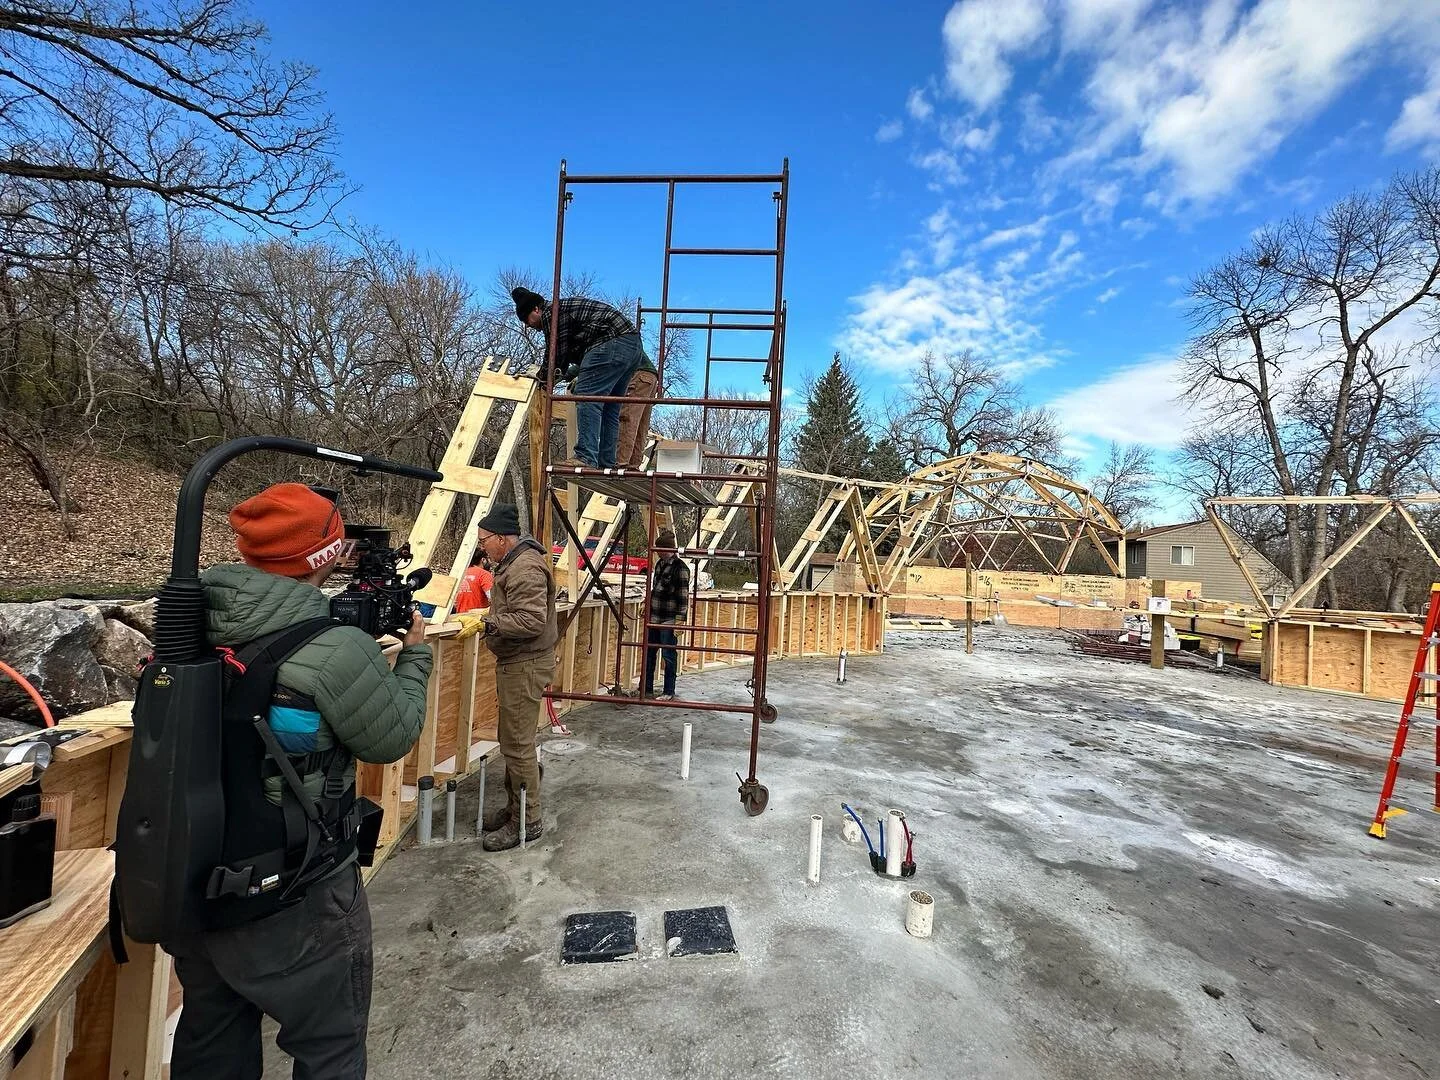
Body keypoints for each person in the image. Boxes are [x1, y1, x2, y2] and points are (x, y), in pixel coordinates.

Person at [166, 482, 431, 1080]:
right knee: (330, 1049)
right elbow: (391, 738)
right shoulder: (332, 647)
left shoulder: (188, 625)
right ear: (328, 554)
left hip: (195, 875)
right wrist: (413, 657)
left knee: (211, 1043)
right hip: (297, 886)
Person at [471, 503, 558, 851]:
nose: (482, 547)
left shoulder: (524, 568)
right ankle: (515, 806)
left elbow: (532, 621)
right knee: (513, 740)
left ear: (504, 539)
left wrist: (488, 623)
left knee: (518, 744)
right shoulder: (514, 563)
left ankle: (527, 819)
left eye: (485, 540)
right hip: (519, 662)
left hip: (525, 663)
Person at [511, 287, 647, 470]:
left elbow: (555, 356)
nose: (528, 325)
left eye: (526, 319)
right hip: (632, 347)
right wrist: (555, 375)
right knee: (609, 407)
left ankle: (585, 456)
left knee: (586, 396)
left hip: (612, 343)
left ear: (536, 309)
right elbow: (565, 360)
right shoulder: (565, 313)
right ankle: (607, 462)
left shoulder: (552, 313)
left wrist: (541, 377)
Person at [644, 529, 691, 701]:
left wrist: (679, 621)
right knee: (649, 654)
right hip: (655, 617)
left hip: (669, 619)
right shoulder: (659, 565)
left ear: (668, 549)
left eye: (659, 549)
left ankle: (668, 691)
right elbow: (655, 588)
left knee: (668, 656)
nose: (657, 552)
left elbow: (683, 598)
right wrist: (647, 604)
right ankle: (647, 689)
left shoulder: (680, 569)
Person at [615, 351, 661, 469]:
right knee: (641, 424)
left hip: (638, 374)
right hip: (651, 378)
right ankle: (633, 464)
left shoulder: (601, 341)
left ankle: (620, 462)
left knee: (627, 418)